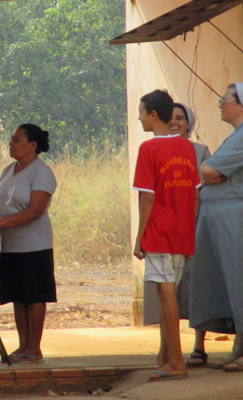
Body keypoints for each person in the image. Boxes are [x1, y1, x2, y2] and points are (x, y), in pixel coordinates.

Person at [0, 123, 57, 364]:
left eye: (17, 139)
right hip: (10, 245)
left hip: (34, 245)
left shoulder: (42, 172)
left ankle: (35, 347)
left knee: (35, 295)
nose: (11, 143)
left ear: (32, 146)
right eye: (11, 139)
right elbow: (0, 204)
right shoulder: (7, 171)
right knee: (18, 296)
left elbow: (35, 211)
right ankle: (23, 346)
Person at [133, 90, 199, 381]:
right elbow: (195, 196)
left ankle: (176, 361)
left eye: (141, 112)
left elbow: (146, 198)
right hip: (182, 231)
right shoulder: (187, 147)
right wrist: (189, 227)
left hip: (159, 231)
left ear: (153, 115)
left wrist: (139, 237)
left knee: (166, 293)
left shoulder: (149, 150)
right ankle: (165, 357)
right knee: (167, 294)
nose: (139, 117)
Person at [142, 102, 212, 367]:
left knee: (192, 292)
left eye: (180, 118)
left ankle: (195, 348)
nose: (175, 123)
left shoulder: (200, 152)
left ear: (188, 124)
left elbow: (200, 193)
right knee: (168, 294)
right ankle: (168, 351)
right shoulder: (156, 150)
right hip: (170, 233)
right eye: (171, 118)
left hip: (188, 232)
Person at [189, 83, 243, 372]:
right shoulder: (234, 136)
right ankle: (238, 347)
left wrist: (209, 175)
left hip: (233, 217)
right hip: (220, 217)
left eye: (225, 100)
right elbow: (210, 172)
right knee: (229, 283)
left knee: (240, 279)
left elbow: (207, 170)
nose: (221, 104)